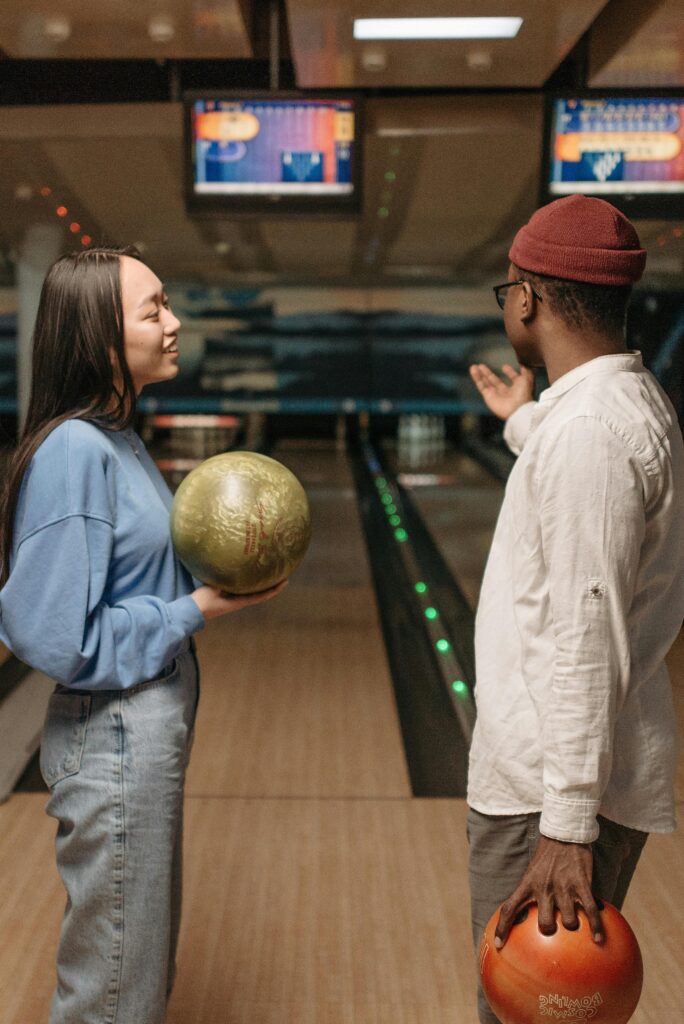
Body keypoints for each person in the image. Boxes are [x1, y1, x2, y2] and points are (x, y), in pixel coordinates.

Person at [0, 246, 285, 1024]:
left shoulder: (116, 439)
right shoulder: (75, 451)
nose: (174, 322)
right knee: (114, 992)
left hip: (140, 731)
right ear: (98, 334)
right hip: (114, 737)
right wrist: (200, 608)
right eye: (153, 308)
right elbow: (51, 635)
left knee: (135, 977)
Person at [466, 195, 684, 1024]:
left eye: (507, 292)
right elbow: (584, 482)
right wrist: (523, 418)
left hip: (547, 797)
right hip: (574, 780)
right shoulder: (619, 406)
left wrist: (564, 830)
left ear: (527, 297)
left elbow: (586, 633)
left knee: (520, 1013)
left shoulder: (589, 433)